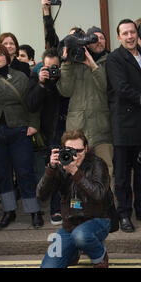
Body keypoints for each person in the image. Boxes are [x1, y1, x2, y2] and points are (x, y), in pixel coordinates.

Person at [0, 43, 43, 229]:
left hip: (19, 128)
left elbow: (31, 102)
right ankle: (9, 211)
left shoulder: (20, 76)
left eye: (0, 55)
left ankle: (33, 210)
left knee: (24, 171)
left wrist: (33, 124)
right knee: (2, 172)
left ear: (8, 57)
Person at [106, 19, 141, 231]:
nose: (129, 36)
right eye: (125, 33)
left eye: (132, 32)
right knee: (123, 176)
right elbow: (122, 88)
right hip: (124, 125)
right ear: (118, 37)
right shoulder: (114, 58)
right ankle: (123, 214)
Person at [38, 130, 111, 268]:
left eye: (79, 151)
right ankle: (73, 253)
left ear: (86, 148)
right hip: (69, 227)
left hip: (97, 221)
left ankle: (100, 256)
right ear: (62, 150)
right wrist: (50, 169)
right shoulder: (60, 166)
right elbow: (41, 195)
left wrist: (75, 172)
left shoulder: (97, 164)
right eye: (71, 151)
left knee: (81, 236)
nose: (75, 156)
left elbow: (98, 194)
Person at [57, 26, 114, 183]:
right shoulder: (74, 63)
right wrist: (67, 62)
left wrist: (93, 65)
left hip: (102, 128)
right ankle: (77, 207)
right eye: (94, 38)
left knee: (106, 170)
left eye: (102, 38)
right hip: (77, 130)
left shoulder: (111, 60)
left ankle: (108, 206)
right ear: (86, 43)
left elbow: (106, 88)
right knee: (75, 170)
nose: (99, 41)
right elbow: (65, 91)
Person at [25, 48, 68, 225]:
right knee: (55, 170)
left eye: (55, 67)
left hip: (70, 127)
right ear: (42, 65)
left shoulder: (66, 76)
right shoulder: (36, 78)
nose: (52, 70)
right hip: (51, 131)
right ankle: (56, 209)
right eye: (48, 67)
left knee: (72, 168)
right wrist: (42, 84)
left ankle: (73, 207)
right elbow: (31, 105)